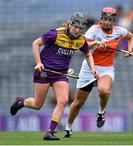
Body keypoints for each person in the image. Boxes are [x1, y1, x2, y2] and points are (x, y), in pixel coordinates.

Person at [10, 12, 99, 140]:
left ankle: (50, 132)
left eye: (80, 29)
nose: (78, 30)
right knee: (37, 105)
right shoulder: (56, 34)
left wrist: (93, 69)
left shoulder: (80, 40)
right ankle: (20, 102)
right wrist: (39, 62)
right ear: (70, 24)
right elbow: (36, 43)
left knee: (63, 101)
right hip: (45, 71)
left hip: (60, 74)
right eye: (76, 27)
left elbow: (88, 54)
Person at [64, 7, 133, 137]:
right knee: (78, 102)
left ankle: (101, 112)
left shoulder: (120, 31)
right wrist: (97, 44)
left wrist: (130, 50)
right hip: (89, 67)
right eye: (105, 19)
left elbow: (131, 37)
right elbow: (83, 45)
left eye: (110, 20)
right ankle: (68, 128)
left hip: (106, 68)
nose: (107, 22)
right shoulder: (93, 30)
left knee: (104, 91)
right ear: (101, 19)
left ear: (114, 20)